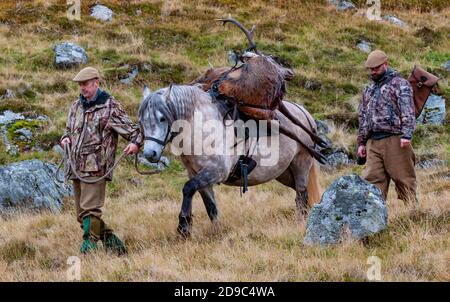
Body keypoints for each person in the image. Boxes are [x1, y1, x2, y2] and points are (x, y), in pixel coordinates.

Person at [60, 66, 142, 255]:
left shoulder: (110, 106)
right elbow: (68, 130)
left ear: (96, 83)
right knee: (82, 216)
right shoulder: (75, 106)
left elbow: (134, 130)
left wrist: (136, 143)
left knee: (91, 211)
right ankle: (114, 244)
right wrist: (65, 138)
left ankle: (88, 249)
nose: (82, 88)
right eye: (80, 85)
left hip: (97, 167)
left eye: (85, 84)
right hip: (75, 167)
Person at [357, 50, 417, 204]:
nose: (373, 71)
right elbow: (363, 117)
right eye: (371, 69)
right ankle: (374, 219)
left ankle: (413, 214)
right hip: (372, 143)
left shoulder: (400, 84)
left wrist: (406, 135)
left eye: (376, 68)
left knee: (404, 180)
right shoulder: (368, 89)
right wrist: (361, 143)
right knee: (372, 183)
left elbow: (408, 111)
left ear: (385, 64)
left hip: (396, 141)